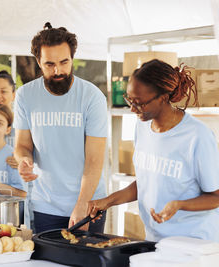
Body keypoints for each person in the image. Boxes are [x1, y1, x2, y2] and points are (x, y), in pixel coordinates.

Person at [88, 59, 219, 242]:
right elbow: (145, 183)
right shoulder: (142, 127)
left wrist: (179, 205)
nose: (133, 108)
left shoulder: (197, 136)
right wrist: (107, 201)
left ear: (163, 97)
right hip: (155, 240)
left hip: (194, 244)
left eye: (139, 103)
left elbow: (215, 196)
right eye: (129, 100)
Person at [13, 22, 108, 233]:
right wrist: (24, 161)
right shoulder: (25, 96)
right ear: (38, 61)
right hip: (45, 205)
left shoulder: (92, 97)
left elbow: (94, 160)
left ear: (72, 58)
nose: (58, 70)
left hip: (90, 203)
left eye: (64, 62)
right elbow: (22, 145)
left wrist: (83, 204)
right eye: (49, 64)